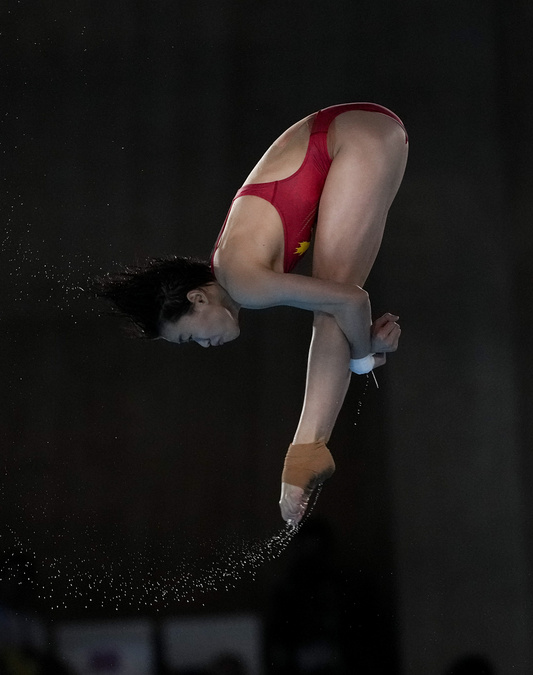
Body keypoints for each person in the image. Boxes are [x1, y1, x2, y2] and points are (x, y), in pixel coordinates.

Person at [95, 103, 407, 526]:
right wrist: (361, 349)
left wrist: (363, 352)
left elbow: (352, 302)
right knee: (331, 304)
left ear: (198, 300)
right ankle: (305, 453)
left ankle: (303, 456)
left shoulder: (243, 282)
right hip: (357, 132)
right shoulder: (230, 267)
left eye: (191, 337)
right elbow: (349, 301)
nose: (205, 346)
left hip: (353, 138)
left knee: (332, 307)